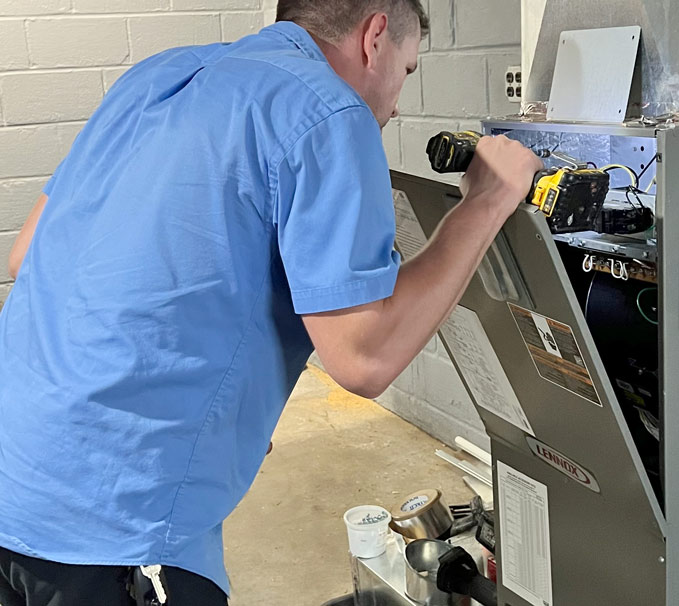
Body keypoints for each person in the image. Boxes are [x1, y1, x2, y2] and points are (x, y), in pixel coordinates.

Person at [0, 0, 543, 604]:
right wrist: (486, 203)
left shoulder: (156, 76)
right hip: (113, 525)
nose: (394, 104)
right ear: (376, 36)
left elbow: (26, 255)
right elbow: (364, 359)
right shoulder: (331, 111)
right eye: (407, 72)